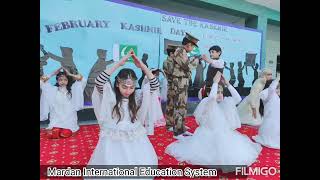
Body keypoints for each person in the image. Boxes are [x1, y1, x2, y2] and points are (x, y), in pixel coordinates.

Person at [166, 72, 262, 168]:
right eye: (217, 92)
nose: (220, 95)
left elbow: (237, 98)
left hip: (224, 133)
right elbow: (212, 97)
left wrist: (228, 84)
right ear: (209, 93)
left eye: (221, 92)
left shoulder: (226, 102)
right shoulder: (207, 102)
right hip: (208, 134)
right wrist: (215, 83)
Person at [87, 49, 159, 167]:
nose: (128, 91)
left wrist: (142, 66)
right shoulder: (111, 96)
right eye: (124, 87)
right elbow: (99, 81)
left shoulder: (137, 96)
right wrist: (119, 63)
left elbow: (155, 85)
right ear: (117, 84)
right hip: (114, 132)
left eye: (131, 87)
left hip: (133, 130)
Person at [40, 67, 86, 139]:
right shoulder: (52, 90)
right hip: (56, 119)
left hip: (69, 120)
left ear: (68, 81)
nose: (63, 81)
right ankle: (57, 131)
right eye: (60, 80)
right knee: (53, 131)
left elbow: (82, 80)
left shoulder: (73, 89)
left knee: (65, 132)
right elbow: (41, 82)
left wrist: (70, 74)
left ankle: (60, 132)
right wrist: (52, 74)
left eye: (65, 79)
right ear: (57, 81)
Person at [171, 33, 201, 139]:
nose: (192, 48)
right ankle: (177, 132)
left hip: (183, 82)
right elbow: (186, 66)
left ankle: (181, 128)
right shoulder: (180, 51)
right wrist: (196, 59)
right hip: (179, 82)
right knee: (179, 106)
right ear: (188, 44)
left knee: (182, 106)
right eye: (192, 46)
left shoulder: (183, 52)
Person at [253, 74, 280, 149]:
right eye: (277, 87)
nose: (278, 89)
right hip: (270, 122)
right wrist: (277, 79)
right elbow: (271, 89)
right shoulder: (269, 94)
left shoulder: (275, 96)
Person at [163, 44, 179, 131]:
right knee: (170, 106)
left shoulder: (174, 61)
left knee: (176, 106)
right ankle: (169, 125)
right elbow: (172, 73)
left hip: (177, 86)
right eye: (176, 53)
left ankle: (176, 123)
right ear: (171, 53)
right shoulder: (167, 62)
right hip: (171, 86)